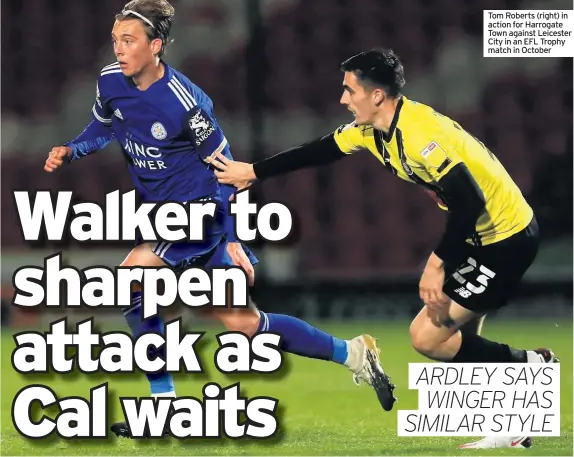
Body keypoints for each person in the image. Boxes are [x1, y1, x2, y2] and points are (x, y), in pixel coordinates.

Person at [43, 0, 397, 438]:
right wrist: (72, 149)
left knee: (131, 280)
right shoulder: (111, 81)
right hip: (166, 217)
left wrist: (231, 235)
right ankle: (354, 354)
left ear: (156, 46)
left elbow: (228, 171)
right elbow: (103, 125)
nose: (118, 49)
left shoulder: (185, 104)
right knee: (246, 325)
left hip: (200, 216)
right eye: (115, 40)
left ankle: (163, 408)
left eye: (129, 40)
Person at [206, 48, 559, 450]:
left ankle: (534, 364)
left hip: (505, 238)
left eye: (349, 90)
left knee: (427, 338)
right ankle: (513, 423)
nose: (342, 99)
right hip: (477, 237)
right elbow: (321, 150)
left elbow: (471, 202)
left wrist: (436, 265)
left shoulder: (422, 134)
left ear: (376, 96)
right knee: (459, 337)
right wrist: (253, 171)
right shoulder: (371, 131)